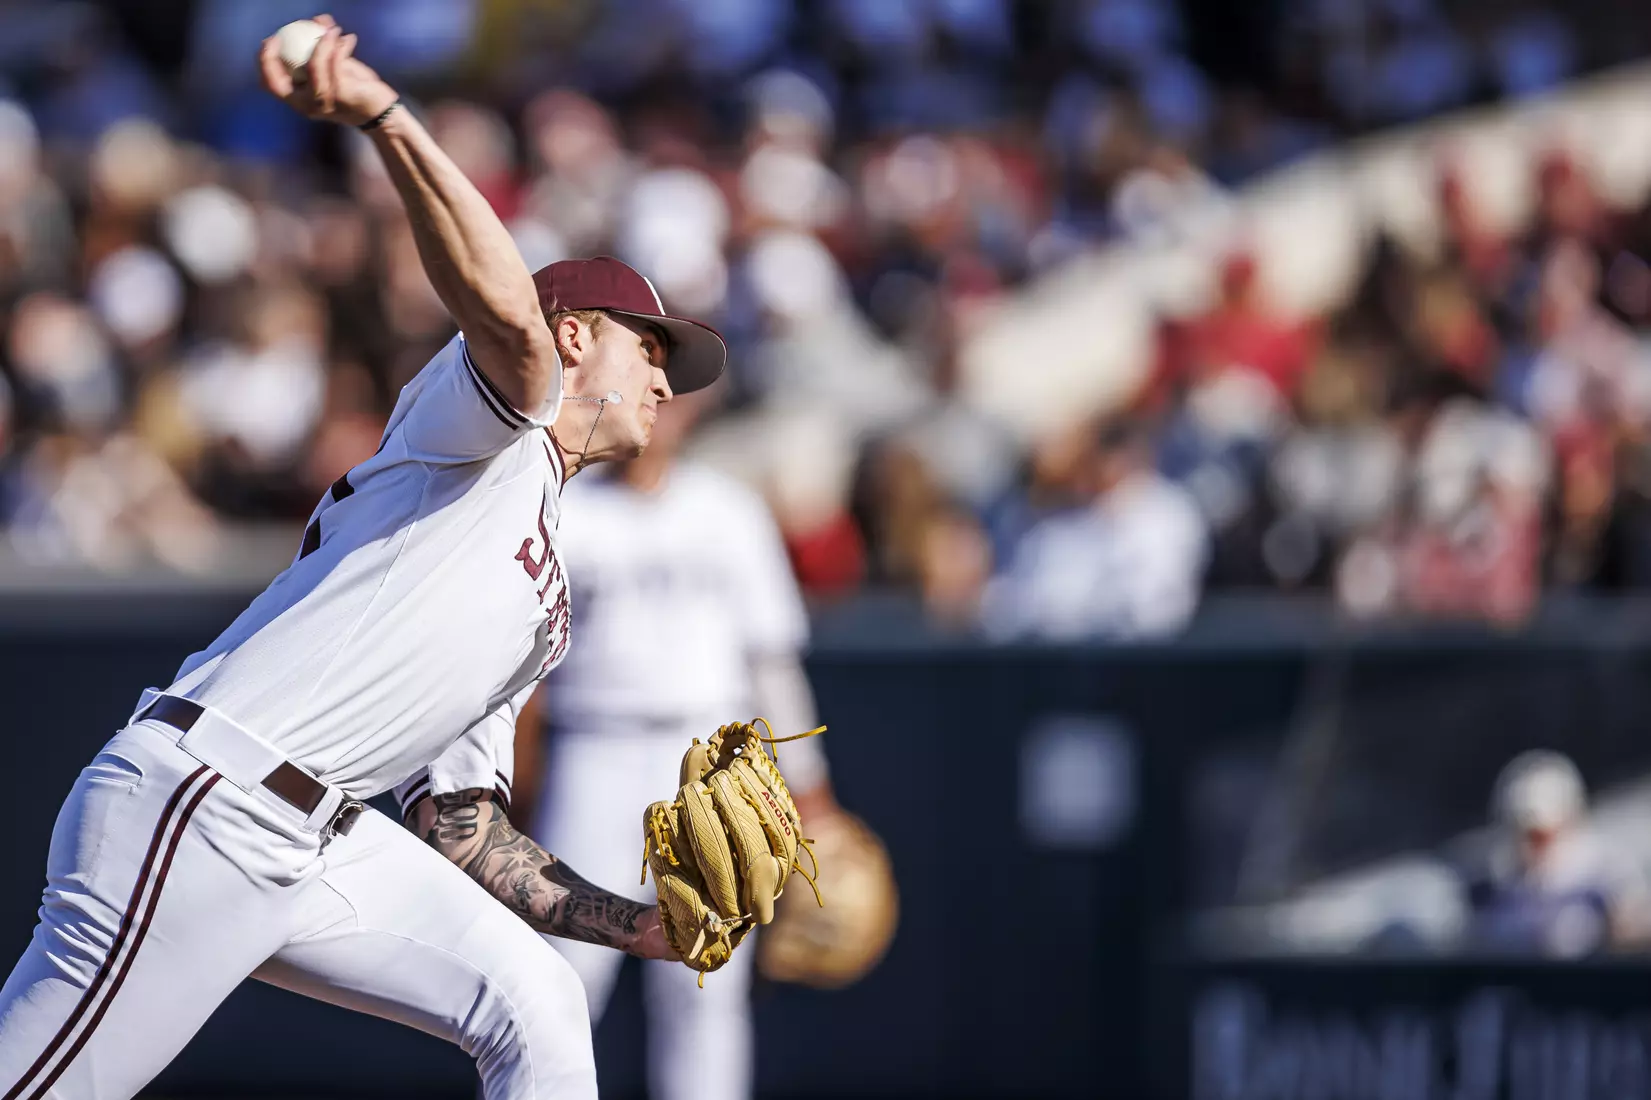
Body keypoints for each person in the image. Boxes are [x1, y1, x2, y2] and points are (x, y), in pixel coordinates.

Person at [0, 17, 729, 1099]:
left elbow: (462, 826)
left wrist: (644, 926)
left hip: (318, 838)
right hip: (204, 802)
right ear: (578, 334)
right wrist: (389, 118)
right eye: (651, 348)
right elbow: (510, 325)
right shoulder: (493, 429)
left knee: (538, 1000)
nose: (668, 383)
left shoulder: (541, 587)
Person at [515, 387, 833, 1100]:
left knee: (706, 981)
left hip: (709, 763)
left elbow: (770, 662)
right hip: (592, 747)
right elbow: (526, 673)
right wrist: (519, 783)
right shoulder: (565, 510)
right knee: (560, 972)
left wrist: (811, 788)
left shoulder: (728, 511)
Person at [1460, 750, 1651, 957]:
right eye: (1523, 832)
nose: (1532, 845)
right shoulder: (1490, 886)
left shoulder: (1608, 878)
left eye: (1541, 834)